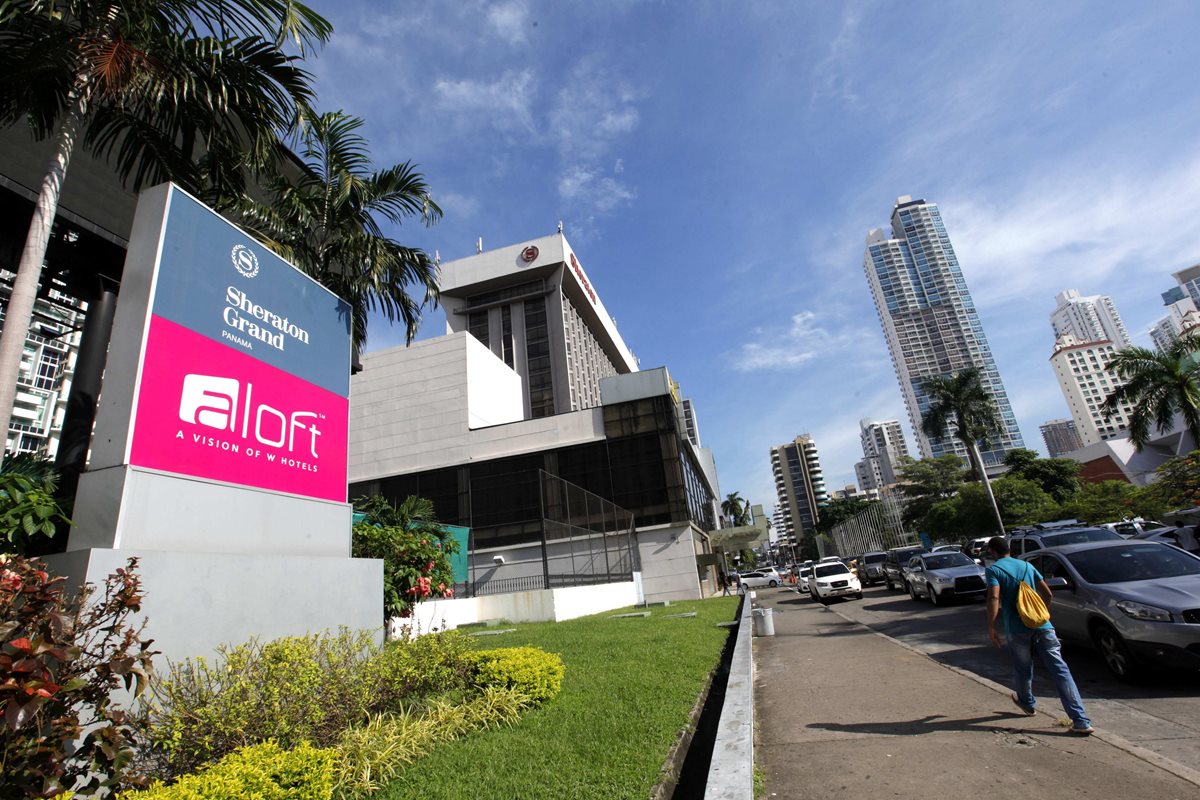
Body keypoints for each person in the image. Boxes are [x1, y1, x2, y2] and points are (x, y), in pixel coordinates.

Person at [984, 536, 1094, 735]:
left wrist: (992, 626)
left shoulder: (994, 570)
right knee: (1060, 670)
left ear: (992, 551)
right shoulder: (1026, 566)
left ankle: (1027, 703)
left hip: (1017, 628)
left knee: (1023, 668)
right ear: (1009, 549)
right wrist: (1040, 613)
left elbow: (994, 597)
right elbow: (1048, 593)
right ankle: (1081, 720)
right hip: (1044, 625)